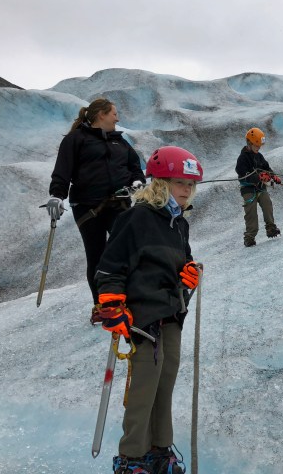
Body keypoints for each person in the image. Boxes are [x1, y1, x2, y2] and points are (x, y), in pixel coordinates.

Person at [92, 145, 203, 474]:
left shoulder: (178, 224)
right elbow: (110, 267)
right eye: (180, 182)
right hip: (143, 319)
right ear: (160, 182)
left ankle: (159, 450)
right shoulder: (136, 217)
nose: (186, 190)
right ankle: (132, 458)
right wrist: (112, 303)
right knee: (144, 388)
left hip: (171, 315)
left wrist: (188, 277)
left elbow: (181, 266)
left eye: (190, 184)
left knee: (164, 383)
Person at [45, 98, 145, 307]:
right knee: (96, 255)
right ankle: (102, 306)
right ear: (102, 114)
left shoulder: (120, 142)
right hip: (87, 206)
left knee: (125, 250)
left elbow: (135, 167)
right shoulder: (76, 139)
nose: (117, 117)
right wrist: (57, 195)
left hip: (119, 202)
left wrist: (137, 181)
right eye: (114, 113)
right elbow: (63, 170)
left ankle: (129, 297)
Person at [235, 127, 282, 247]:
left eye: (259, 146)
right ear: (249, 143)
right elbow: (242, 173)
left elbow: (266, 168)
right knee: (251, 214)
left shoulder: (259, 156)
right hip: (248, 190)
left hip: (260, 188)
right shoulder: (243, 158)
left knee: (267, 204)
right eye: (256, 146)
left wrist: (273, 176)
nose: (258, 148)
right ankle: (249, 237)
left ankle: (271, 228)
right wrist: (259, 177)